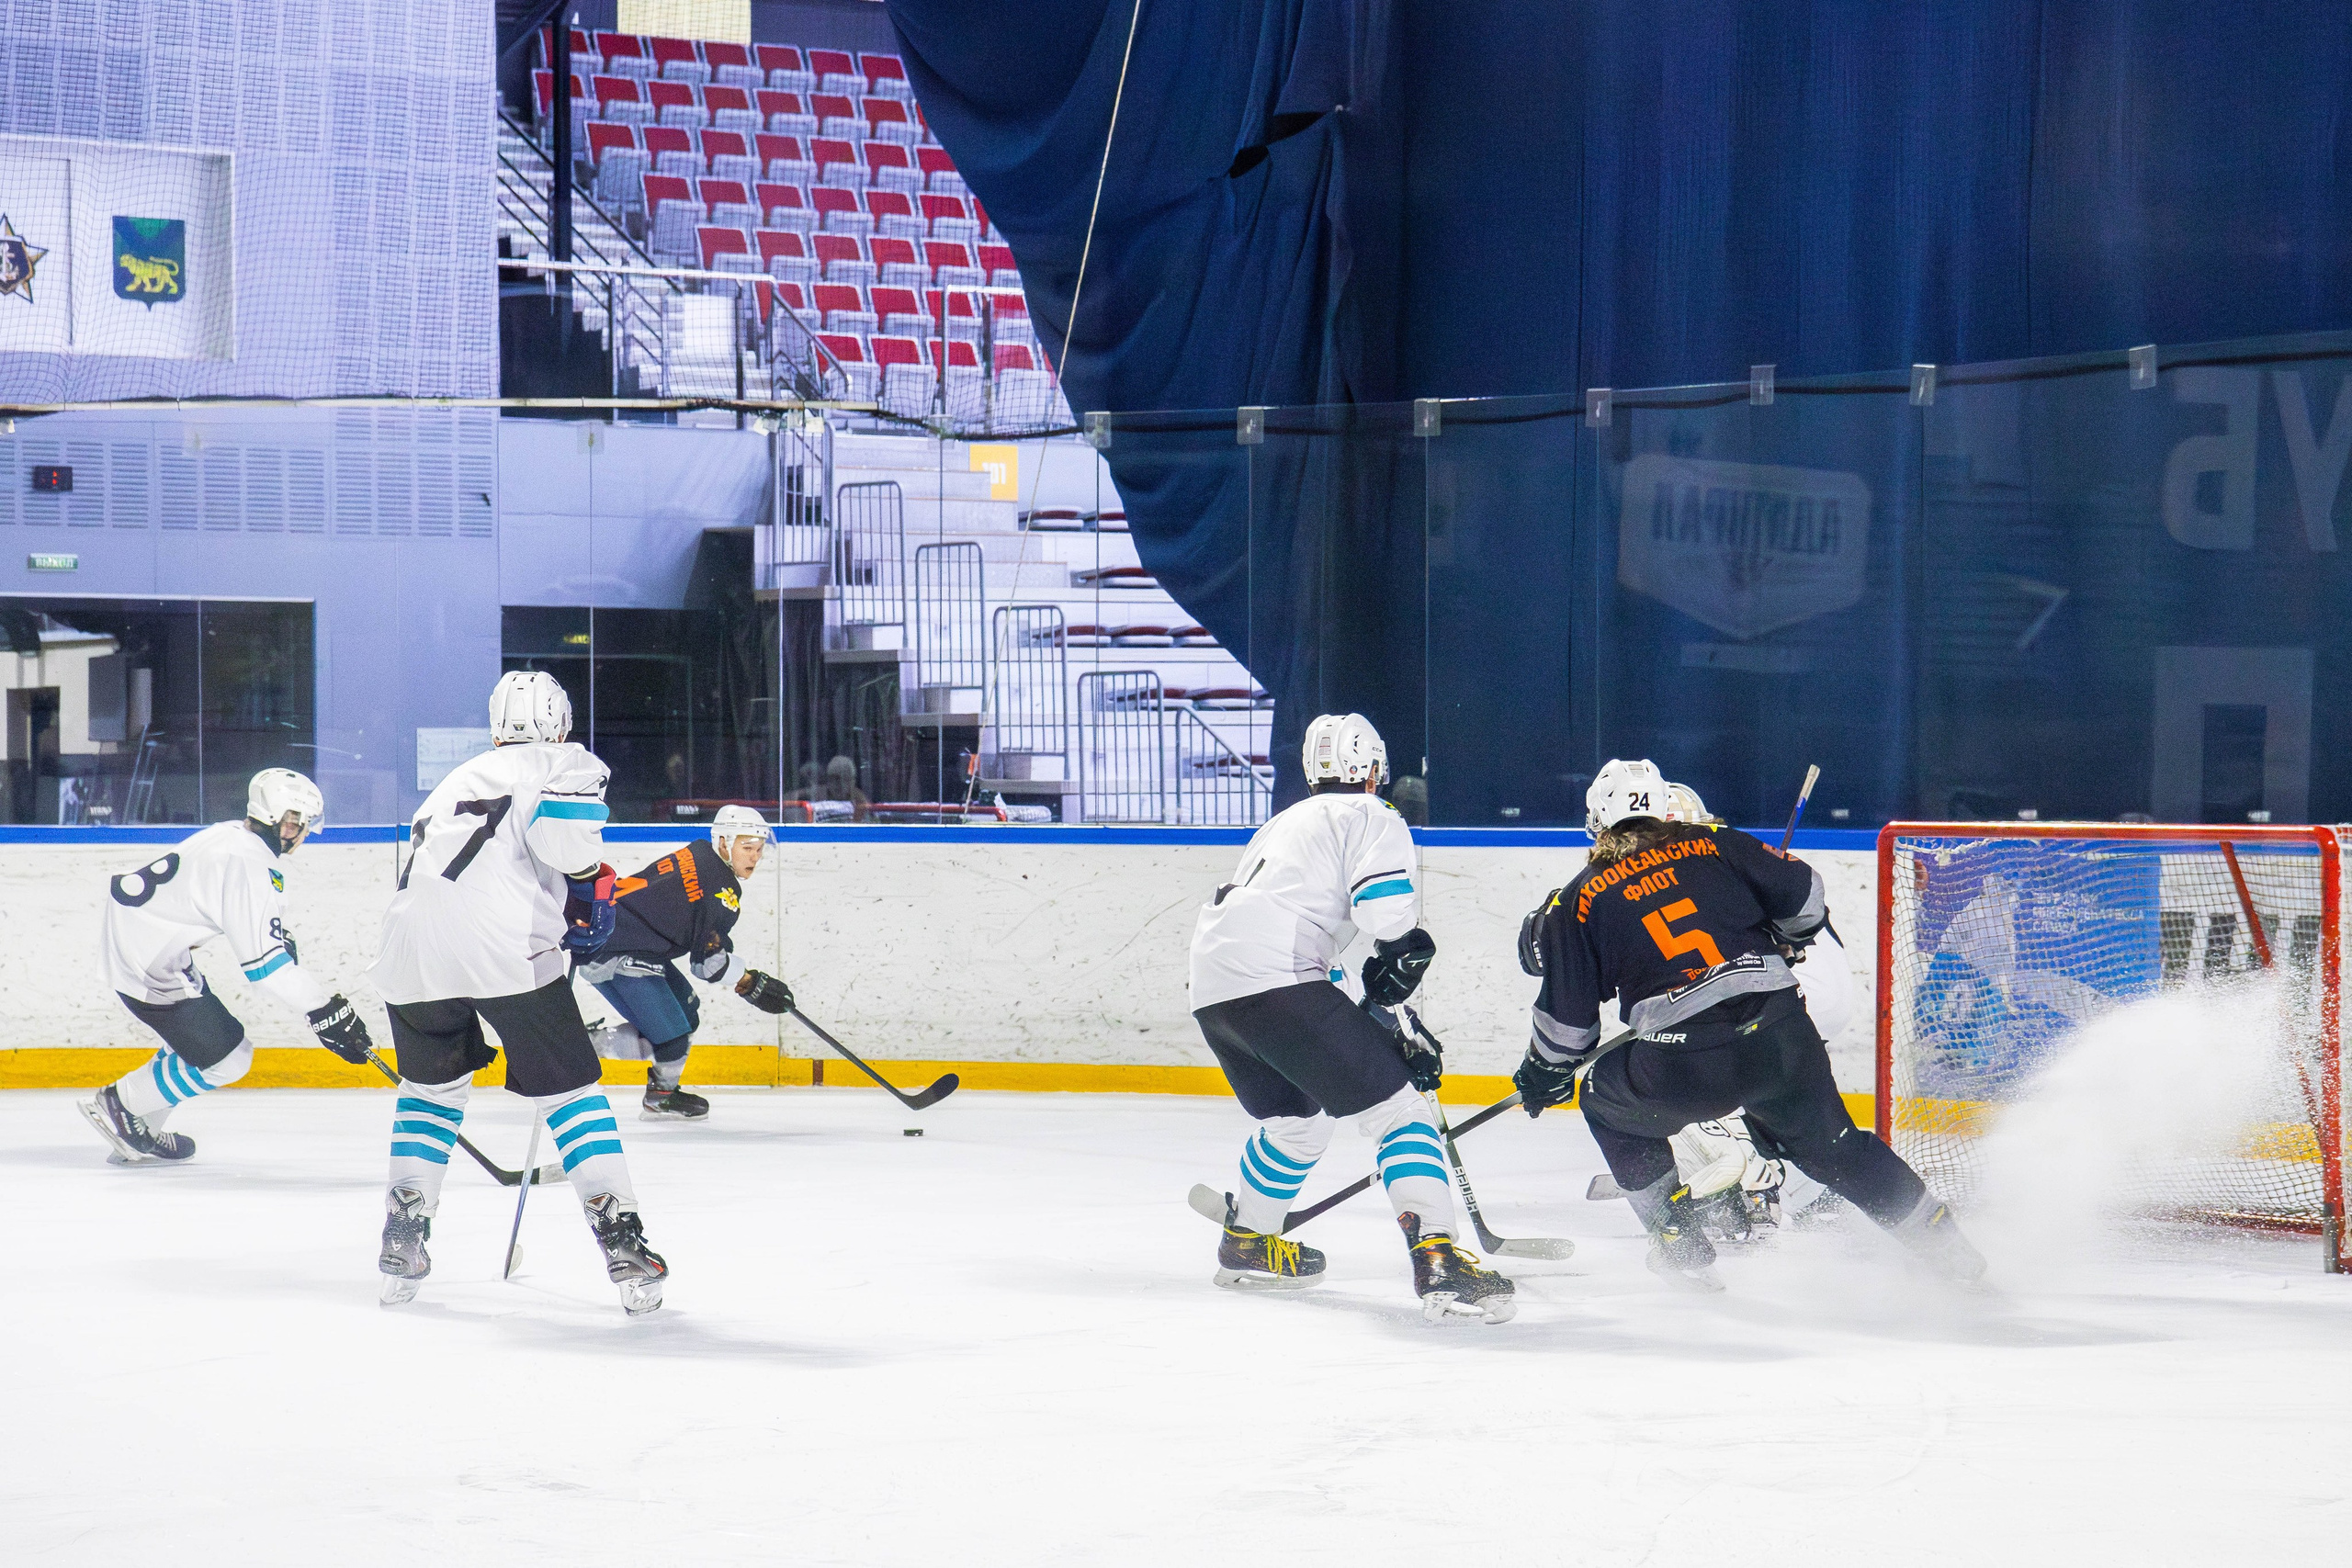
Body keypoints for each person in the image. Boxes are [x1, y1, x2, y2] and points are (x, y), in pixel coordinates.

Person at [1515, 758, 1984, 1290]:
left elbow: (1568, 1031)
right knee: (1840, 1148)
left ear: (1597, 820)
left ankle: (1678, 1241)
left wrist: (1543, 1070)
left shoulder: (1577, 899)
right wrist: (1784, 930)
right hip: (1781, 1033)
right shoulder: (1716, 842)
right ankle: (1955, 1256)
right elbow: (1806, 900)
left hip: (1684, 1062)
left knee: (1606, 1100)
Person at [1188, 712, 1514, 1325]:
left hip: (1216, 993)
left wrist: (1391, 1020)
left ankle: (1249, 1241)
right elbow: (1386, 915)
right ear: (1371, 768)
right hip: (1279, 980)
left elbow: (1319, 954)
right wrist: (1406, 949)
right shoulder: (1371, 815)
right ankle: (1439, 1256)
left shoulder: (1283, 826)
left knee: (1298, 1118)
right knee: (1400, 1111)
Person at [369, 670, 669, 1315]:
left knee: (430, 1090)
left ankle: (405, 1224)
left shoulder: (455, 781)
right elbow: (565, 838)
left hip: (408, 955)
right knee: (571, 1094)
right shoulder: (565, 760)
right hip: (503, 949)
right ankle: (620, 1233)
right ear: (559, 721)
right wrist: (589, 890)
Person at [79, 769, 375, 1164]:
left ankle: (142, 1124)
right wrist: (325, 1011)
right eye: (301, 823)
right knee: (230, 1057)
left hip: (144, 941)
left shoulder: (234, 836)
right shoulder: (251, 864)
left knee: (195, 1037)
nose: (303, 834)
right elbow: (267, 972)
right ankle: (123, 1104)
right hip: (147, 960)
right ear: (284, 821)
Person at [580, 805, 797, 1120]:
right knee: (673, 1037)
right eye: (747, 847)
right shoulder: (722, 890)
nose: (755, 857)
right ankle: (651, 1091)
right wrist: (750, 983)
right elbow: (706, 965)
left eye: (759, 849)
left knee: (686, 1015)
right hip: (618, 947)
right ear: (724, 843)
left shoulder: (698, 854)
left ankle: (596, 1051)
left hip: (625, 941)